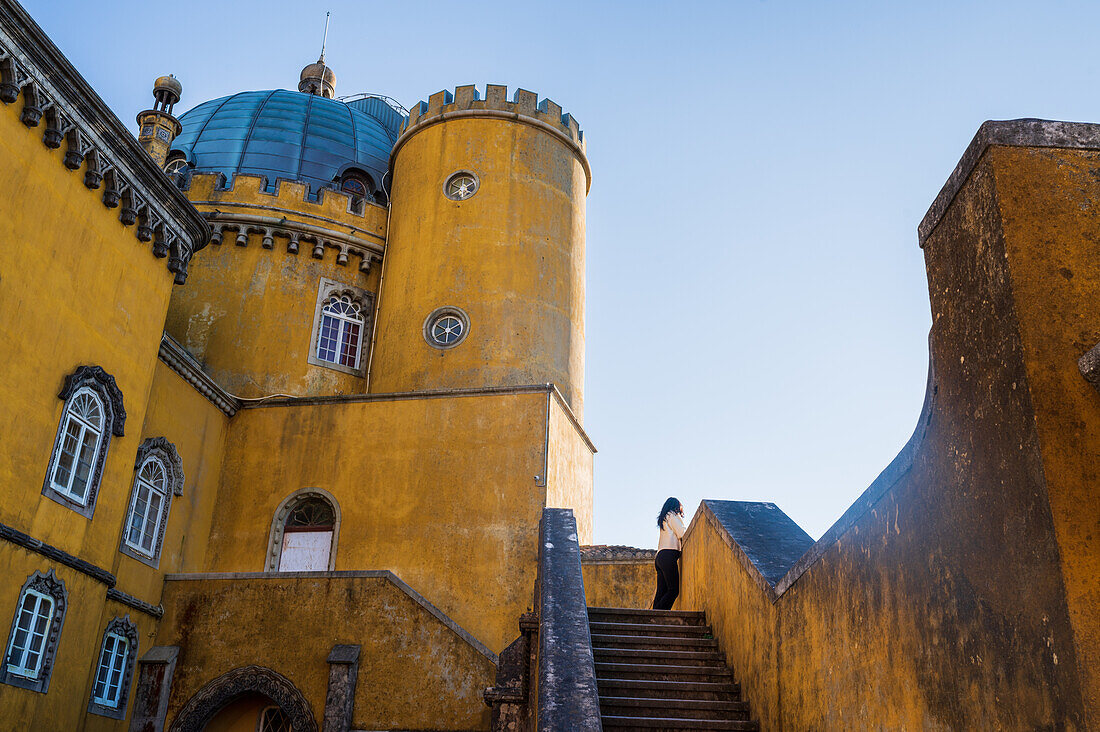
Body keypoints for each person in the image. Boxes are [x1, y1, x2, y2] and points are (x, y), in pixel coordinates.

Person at [653, 497, 686, 610]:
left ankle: (653, 618)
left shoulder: (664, 518)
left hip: (659, 557)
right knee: (673, 590)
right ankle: (660, 615)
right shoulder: (672, 515)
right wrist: (680, 518)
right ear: (676, 506)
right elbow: (682, 532)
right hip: (668, 555)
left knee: (661, 592)